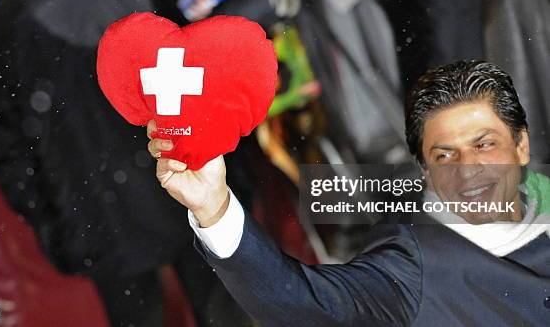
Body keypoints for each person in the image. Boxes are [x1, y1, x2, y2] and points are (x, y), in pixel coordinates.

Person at [0, 0, 251, 326]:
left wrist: (59, 230)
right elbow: (208, 93)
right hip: (186, 194)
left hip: (96, 226)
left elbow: (13, 160)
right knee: (226, 313)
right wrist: (232, 185)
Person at [148, 60, 550, 326]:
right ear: (425, 170)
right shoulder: (412, 263)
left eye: (484, 145)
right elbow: (301, 303)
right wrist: (214, 207)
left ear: (521, 146)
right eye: (445, 155)